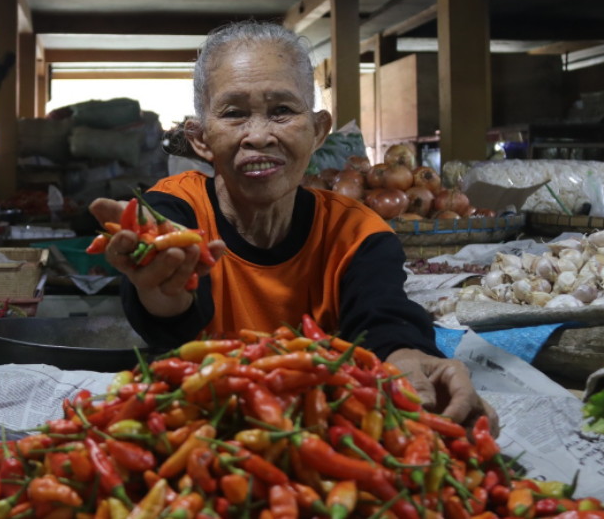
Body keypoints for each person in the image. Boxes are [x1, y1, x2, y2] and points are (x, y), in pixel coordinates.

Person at [90, 21, 496, 429]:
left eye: (282, 111)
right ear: (200, 139)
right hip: (206, 433)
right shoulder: (176, 210)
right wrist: (164, 291)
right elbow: (172, 298)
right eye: (234, 114)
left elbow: (382, 315)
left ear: (318, 130)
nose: (259, 135)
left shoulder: (356, 232)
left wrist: (406, 356)